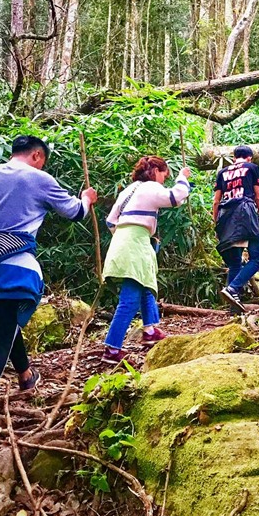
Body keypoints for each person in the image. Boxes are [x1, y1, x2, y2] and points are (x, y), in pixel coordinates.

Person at [0, 135, 98, 441]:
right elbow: (75, 213)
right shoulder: (38, 178)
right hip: (15, 270)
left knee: (4, 324)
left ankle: (27, 376)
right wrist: (87, 199)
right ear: (38, 156)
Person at [101, 156, 191, 365]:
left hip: (124, 241)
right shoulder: (150, 187)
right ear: (155, 171)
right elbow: (175, 197)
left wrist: (130, 233)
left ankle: (150, 330)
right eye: (163, 175)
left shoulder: (129, 190)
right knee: (130, 299)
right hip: (134, 243)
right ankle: (112, 349)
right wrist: (182, 177)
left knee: (145, 285)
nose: (163, 180)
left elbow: (110, 221)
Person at [213, 145, 259, 313]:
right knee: (257, 258)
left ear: (234, 156)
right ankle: (233, 288)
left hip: (226, 216)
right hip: (246, 213)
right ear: (249, 157)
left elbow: (216, 201)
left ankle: (233, 309)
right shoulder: (251, 168)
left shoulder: (222, 172)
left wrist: (217, 223)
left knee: (235, 262)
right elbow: (258, 196)